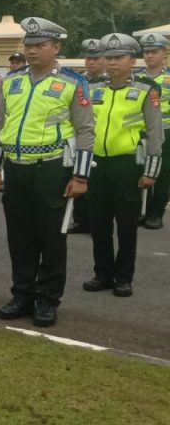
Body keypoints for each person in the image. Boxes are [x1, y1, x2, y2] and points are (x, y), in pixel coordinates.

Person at [0, 17, 94, 328]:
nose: (32, 51)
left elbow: (86, 130)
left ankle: (47, 299)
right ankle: (21, 294)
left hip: (51, 169)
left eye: (40, 45)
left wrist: (81, 176)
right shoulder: (11, 81)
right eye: (28, 45)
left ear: (56, 47)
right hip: (15, 168)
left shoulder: (73, 82)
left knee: (51, 236)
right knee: (19, 236)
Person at [82, 33, 162, 299]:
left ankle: (124, 277)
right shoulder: (93, 89)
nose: (113, 63)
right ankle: (103, 273)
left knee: (126, 225)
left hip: (127, 165)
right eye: (109, 57)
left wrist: (150, 172)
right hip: (97, 164)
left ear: (132, 60)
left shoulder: (145, 89)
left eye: (119, 57)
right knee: (99, 223)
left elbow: (154, 133)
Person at [67, 39, 107, 234]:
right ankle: (80, 220)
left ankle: (97, 222)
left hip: (100, 139)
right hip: (78, 138)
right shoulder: (77, 80)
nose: (90, 62)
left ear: (105, 60)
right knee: (77, 178)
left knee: (97, 186)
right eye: (88, 58)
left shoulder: (110, 83)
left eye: (95, 58)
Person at [139, 32, 170, 230]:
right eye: (147, 52)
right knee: (140, 171)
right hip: (140, 131)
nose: (149, 56)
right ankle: (143, 210)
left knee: (163, 173)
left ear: (164, 53)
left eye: (154, 52)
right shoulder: (136, 77)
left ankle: (156, 213)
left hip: (166, 131)